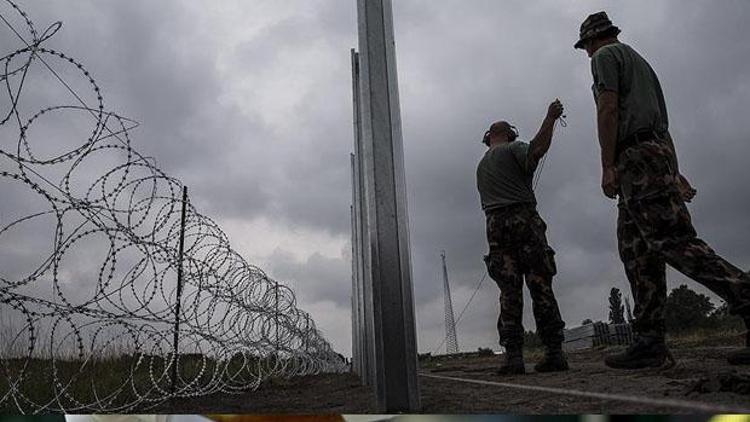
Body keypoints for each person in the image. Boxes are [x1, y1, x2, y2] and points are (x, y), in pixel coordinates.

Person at [575, 11, 750, 369]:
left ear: (593, 40)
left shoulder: (607, 57)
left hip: (635, 160)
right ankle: (649, 342)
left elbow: (608, 108)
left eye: (586, 48)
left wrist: (607, 163)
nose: (587, 54)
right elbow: (663, 127)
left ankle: (745, 293)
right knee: (637, 252)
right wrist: (674, 169)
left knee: (674, 241)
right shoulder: (643, 65)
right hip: (650, 158)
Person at [476, 99, 568, 375]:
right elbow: (537, 150)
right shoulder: (514, 148)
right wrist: (550, 118)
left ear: (488, 137)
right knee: (540, 284)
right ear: (509, 134)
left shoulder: (481, 166)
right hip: (523, 220)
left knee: (508, 292)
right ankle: (554, 352)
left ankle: (513, 357)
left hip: (494, 226)